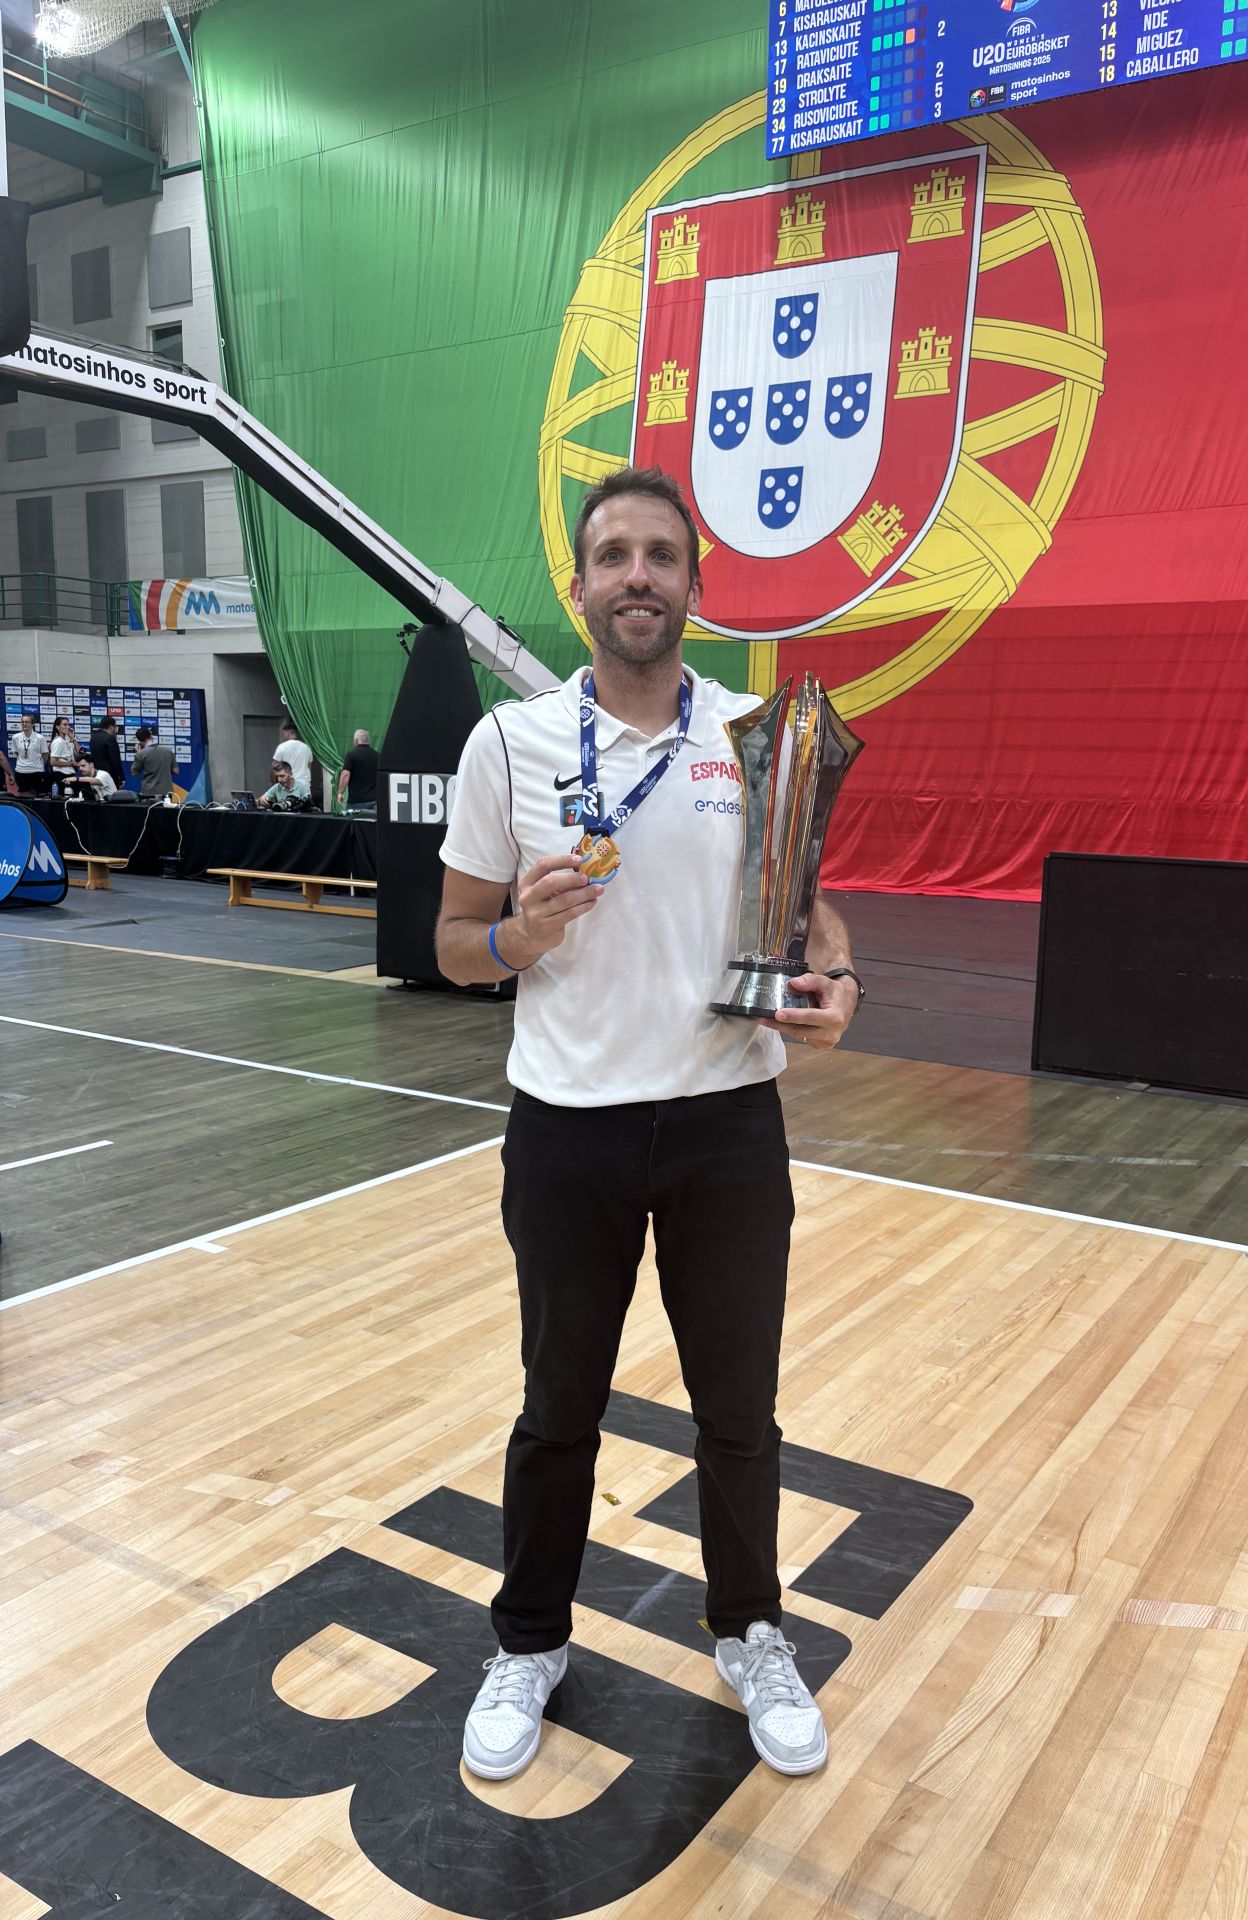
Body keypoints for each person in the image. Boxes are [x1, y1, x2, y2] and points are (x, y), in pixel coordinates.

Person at [435, 465, 865, 1785]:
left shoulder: (756, 737)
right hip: (567, 1131)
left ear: (696, 585)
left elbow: (807, 911)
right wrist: (520, 931)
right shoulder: (507, 743)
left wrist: (835, 983)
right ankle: (528, 1641)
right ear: (579, 587)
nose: (637, 576)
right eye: (613, 555)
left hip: (729, 1128)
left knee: (740, 1410)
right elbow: (453, 945)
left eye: (660, 556)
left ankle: (750, 1629)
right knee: (557, 1405)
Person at [130, 725, 178, 799]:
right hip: (166, 793)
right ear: (151, 736)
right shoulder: (168, 751)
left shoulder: (141, 753)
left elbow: (134, 773)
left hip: (148, 793)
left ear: (139, 741)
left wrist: (138, 753)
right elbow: (176, 771)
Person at [337, 728, 378, 811]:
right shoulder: (377, 755)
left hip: (356, 802)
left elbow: (345, 774)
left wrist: (340, 792)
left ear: (356, 741)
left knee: (356, 823)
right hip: (374, 801)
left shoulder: (351, 754)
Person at [8, 713, 47, 796]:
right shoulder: (15, 737)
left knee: (40, 797)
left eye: (27, 722)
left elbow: (45, 755)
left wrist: (36, 763)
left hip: (37, 771)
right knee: (23, 798)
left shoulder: (40, 738)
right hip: (21, 771)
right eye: (22, 722)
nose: (24, 724)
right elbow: (16, 753)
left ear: (33, 724)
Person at [273, 720, 314, 794]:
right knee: (305, 805)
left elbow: (274, 765)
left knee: (287, 804)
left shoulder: (282, 747)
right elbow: (309, 767)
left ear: (288, 733)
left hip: (288, 784)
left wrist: (272, 781)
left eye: (283, 733)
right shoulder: (307, 748)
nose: (283, 736)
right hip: (304, 784)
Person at [88, 714, 125, 791]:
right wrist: (121, 777)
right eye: (115, 727)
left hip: (97, 774)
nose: (116, 729)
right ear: (111, 727)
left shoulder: (93, 738)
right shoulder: (110, 738)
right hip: (110, 775)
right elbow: (115, 760)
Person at [47, 716, 78, 794]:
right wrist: (70, 763)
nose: (68, 727)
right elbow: (53, 762)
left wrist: (73, 739)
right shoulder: (58, 742)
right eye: (65, 725)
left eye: (68, 724)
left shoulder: (68, 739)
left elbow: (78, 753)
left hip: (70, 772)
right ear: (57, 727)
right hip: (60, 774)